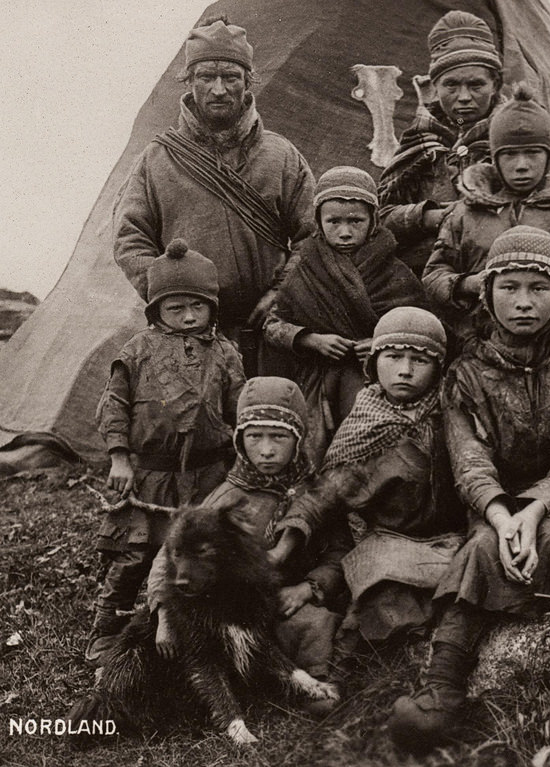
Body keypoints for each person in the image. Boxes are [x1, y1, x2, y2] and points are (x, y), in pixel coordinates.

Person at [389, 226, 550, 751]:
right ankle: (442, 687)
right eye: (509, 287)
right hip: (493, 502)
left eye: (539, 288)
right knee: (484, 545)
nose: (524, 302)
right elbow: (469, 458)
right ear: (487, 294)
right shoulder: (466, 374)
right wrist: (504, 516)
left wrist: (533, 512)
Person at [271, 308, 465, 696]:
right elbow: (325, 493)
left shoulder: (454, 412)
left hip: (453, 535)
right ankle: (339, 676)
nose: (405, 370)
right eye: (393, 357)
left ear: (439, 366)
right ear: (374, 362)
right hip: (390, 539)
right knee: (374, 589)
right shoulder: (365, 422)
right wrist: (282, 548)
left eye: (420, 360)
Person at [113, 16, 315, 376]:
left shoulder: (281, 156)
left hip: (270, 331)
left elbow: (311, 236)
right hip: (186, 337)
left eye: (231, 77)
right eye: (206, 77)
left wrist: (281, 296)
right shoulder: (157, 160)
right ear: (189, 83)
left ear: (248, 82)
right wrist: (175, 301)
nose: (219, 89)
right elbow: (131, 241)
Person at [88, 239, 245, 663]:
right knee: (134, 555)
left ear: (212, 306)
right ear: (156, 310)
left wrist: (242, 451)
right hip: (151, 475)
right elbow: (114, 405)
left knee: (202, 552)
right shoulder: (137, 350)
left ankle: (199, 627)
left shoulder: (226, 352)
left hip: (208, 474)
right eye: (176, 308)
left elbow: (239, 408)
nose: (190, 316)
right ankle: (109, 627)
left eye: (198, 306)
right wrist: (120, 457)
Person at [147, 376, 350, 685]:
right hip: (242, 607)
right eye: (255, 436)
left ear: (299, 438)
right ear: (240, 440)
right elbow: (171, 557)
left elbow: (340, 551)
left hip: (295, 599)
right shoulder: (224, 501)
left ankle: (317, 681)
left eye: (279, 437)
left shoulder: (317, 493)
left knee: (315, 623)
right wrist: (162, 615)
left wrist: (309, 588)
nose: (266, 450)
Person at [263, 167, 426, 464]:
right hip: (315, 378)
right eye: (333, 221)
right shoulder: (303, 267)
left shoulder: (393, 271)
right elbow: (272, 324)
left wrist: (381, 343)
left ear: (373, 221)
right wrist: (309, 339)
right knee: (310, 452)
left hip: (375, 379)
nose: (345, 232)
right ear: (318, 222)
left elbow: (421, 326)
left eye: (355, 221)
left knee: (366, 449)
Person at [422, 84, 550, 343]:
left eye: (532, 153)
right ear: (495, 158)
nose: (521, 165)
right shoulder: (467, 210)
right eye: (509, 155)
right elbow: (434, 275)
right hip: (480, 339)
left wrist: (547, 265)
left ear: (548, 157)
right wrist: (469, 284)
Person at [377, 10, 504, 276]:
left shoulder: (518, 138)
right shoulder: (419, 141)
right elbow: (380, 217)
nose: (464, 97)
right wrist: (428, 217)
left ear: (496, 84)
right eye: (451, 85)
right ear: (434, 86)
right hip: (422, 277)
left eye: (476, 85)